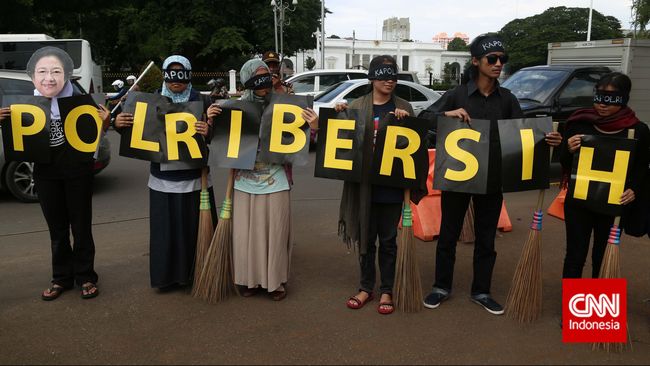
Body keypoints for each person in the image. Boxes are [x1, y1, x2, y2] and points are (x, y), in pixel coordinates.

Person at [420, 33, 562, 315]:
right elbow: (423, 119)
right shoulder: (456, 95)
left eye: (502, 59)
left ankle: (481, 291)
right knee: (448, 235)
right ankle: (441, 287)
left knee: (486, 237)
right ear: (476, 61)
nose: (499, 64)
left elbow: (522, 137)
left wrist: (548, 141)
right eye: (492, 58)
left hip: (492, 180)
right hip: (457, 177)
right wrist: (447, 115)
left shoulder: (507, 99)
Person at [0, 46, 110, 300]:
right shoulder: (27, 105)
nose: (49, 77)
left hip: (78, 172)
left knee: (81, 226)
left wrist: (104, 124)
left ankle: (85, 277)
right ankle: (61, 277)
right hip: (46, 173)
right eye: (43, 72)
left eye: (56, 71)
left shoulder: (81, 102)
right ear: (34, 75)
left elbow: (93, 139)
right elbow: (18, 141)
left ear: (66, 74)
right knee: (57, 229)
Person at [114, 55, 219, 290]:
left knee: (194, 230)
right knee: (166, 232)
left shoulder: (202, 100)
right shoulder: (152, 102)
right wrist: (118, 125)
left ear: (189, 75)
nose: (176, 80)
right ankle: (168, 277)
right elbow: (136, 134)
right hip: (163, 179)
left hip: (196, 180)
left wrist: (208, 130)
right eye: (171, 74)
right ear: (164, 76)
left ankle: (197, 274)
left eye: (181, 74)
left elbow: (217, 137)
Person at [231, 58, 318, 301]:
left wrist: (314, 127)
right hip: (244, 181)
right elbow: (222, 144)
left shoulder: (285, 106)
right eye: (257, 77)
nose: (263, 82)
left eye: (266, 76)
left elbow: (304, 142)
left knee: (276, 234)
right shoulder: (236, 107)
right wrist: (212, 121)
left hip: (276, 179)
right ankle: (250, 280)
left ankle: (275, 281)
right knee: (246, 235)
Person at [336, 55, 414, 315]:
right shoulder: (357, 105)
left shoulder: (404, 106)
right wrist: (337, 117)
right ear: (372, 79)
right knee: (366, 239)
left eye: (393, 76)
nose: (390, 81)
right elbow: (342, 145)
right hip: (364, 186)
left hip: (391, 186)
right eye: (383, 76)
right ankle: (366, 287)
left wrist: (406, 125)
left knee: (389, 241)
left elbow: (415, 146)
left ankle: (387, 290)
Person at [560, 72, 649, 279]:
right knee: (575, 254)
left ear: (623, 98)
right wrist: (569, 150)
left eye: (610, 99)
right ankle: (574, 305)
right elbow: (565, 163)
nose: (602, 104)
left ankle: (597, 306)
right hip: (579, 201)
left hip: (613, 204)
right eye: (599, 97)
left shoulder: (637, 130)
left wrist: (634, 189)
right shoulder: (579, 123)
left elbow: (642, 166)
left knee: (603, 255)